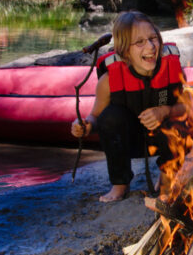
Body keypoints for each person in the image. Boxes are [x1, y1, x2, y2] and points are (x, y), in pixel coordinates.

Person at [71, 11, 185, 202]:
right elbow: (96, 116)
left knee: (178, 122)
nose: (150, 47)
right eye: (139, 42)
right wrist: (85, 126)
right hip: (129, 142)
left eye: (153, 38)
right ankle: (120, 184)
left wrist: (165, 110)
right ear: (124, 51)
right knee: (110, 116)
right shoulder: (108, 80)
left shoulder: (172, 68)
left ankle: (167, 177)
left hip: (163, 139)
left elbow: (187, 108)